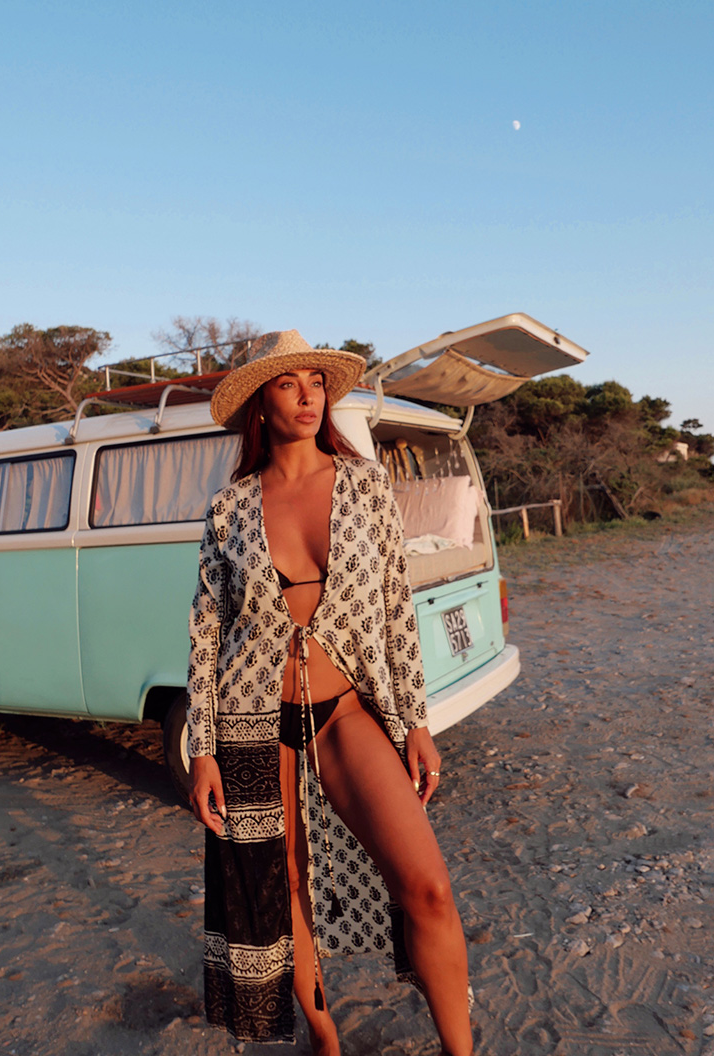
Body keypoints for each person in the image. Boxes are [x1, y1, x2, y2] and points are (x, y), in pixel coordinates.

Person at [187, 330, 473, 1056]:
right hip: (250, 722)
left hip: (344, 711)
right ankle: (325, 1036)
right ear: (261, 403)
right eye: (288, 384)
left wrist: (414, 720)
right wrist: (203, 749)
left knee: (427, 888)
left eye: (316, 381)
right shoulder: (229, 508)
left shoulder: (366, 486)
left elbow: (396, 607)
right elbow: (206, 632)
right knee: (283, 889)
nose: (308, 395)